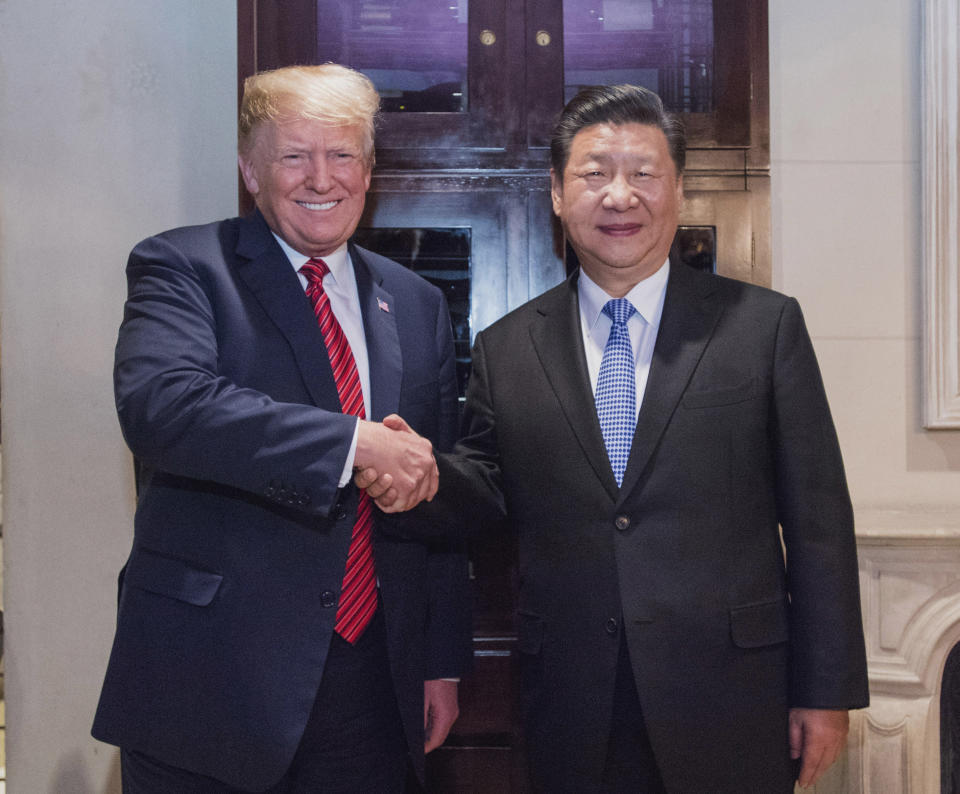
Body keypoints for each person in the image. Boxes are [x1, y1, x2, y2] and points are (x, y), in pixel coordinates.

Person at [359, 84, 869, 792]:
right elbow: (487, 486)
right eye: (594, 175)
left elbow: (818, 523)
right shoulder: (508, 346)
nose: (619, 196)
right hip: (571, 695)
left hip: (732, 695)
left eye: (643, 174)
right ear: (558, 195)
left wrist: (826, 689)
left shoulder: (762, 327)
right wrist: (418, 475)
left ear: (679, 189)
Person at [92, 63, 471, 793]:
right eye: (294, 155)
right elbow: (163, 407)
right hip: (211, 683)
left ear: (368, 169)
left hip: (372, 687)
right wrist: (353, 442)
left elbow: (432, 490)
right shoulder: (183, 266)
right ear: (251, 170)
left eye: (342, 155)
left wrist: (440, 659)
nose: (320, 178)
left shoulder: (415, 301)